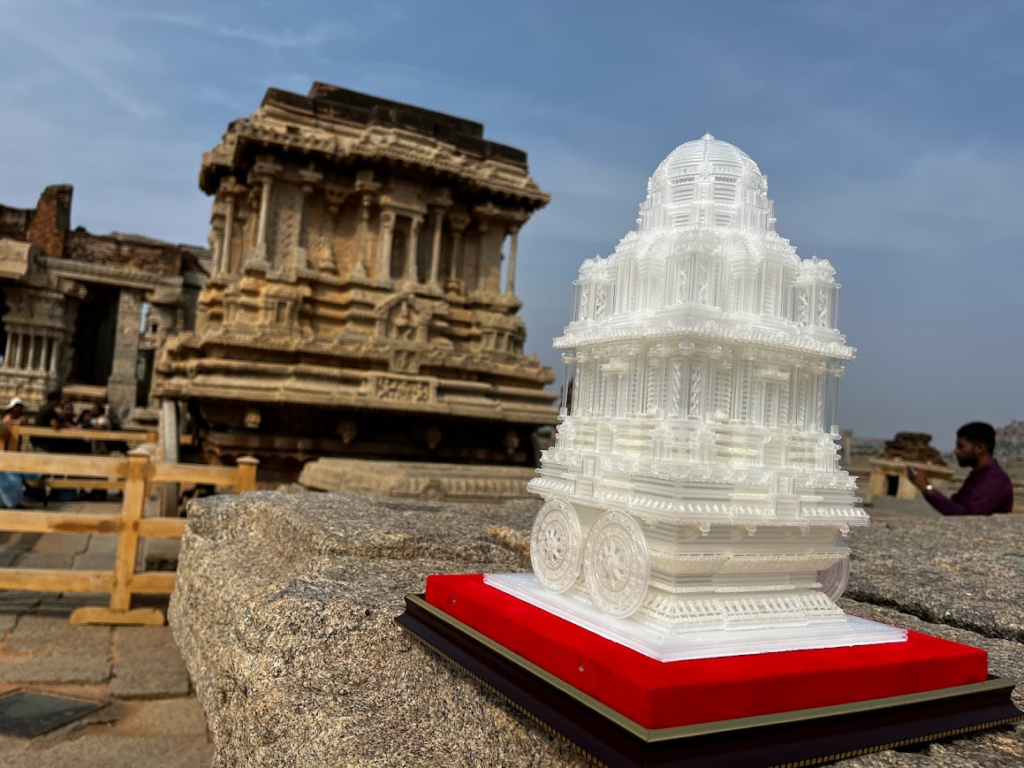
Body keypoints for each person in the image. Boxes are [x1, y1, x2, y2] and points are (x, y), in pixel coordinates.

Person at [908, 422, 1014, 516]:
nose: (956, 451)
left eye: (961, 446)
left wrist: (928, 488)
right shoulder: (978, 475)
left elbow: (967, 515)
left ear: (979, 448)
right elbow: (955, 505)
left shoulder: (994, 479)